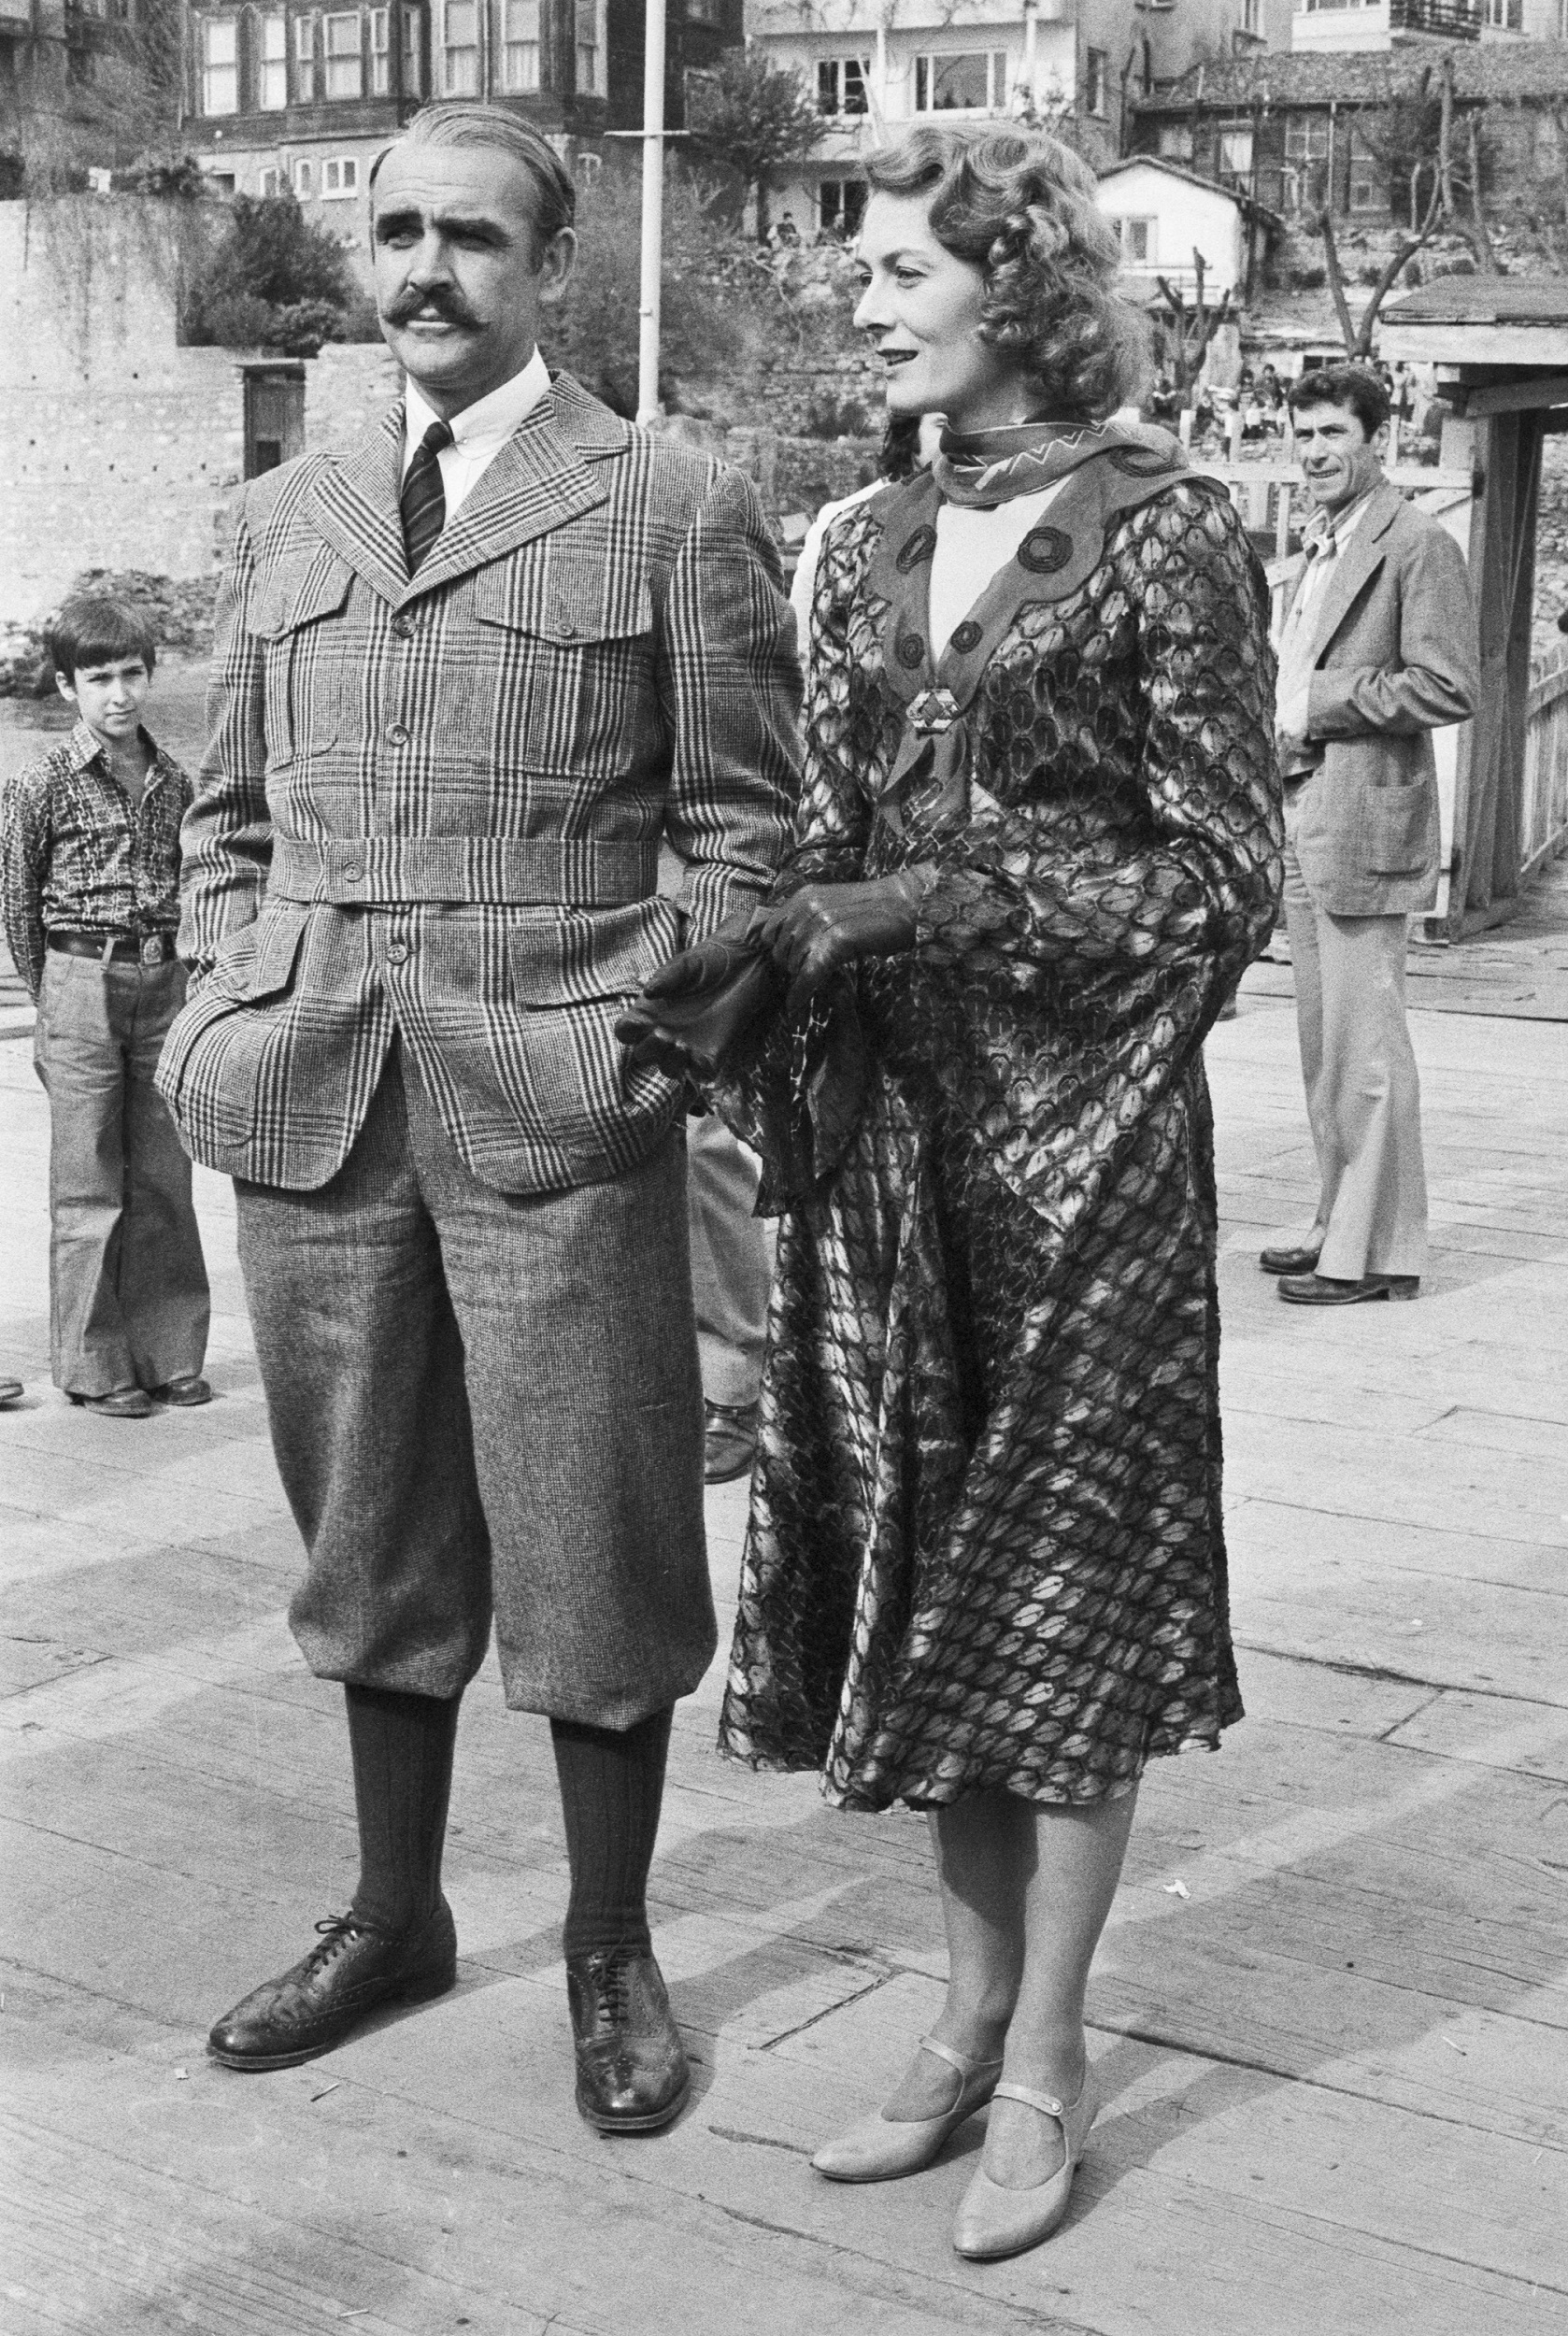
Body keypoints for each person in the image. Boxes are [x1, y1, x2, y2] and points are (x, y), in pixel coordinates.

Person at [623, 122, 1281, 2257]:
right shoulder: (849, 547)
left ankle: (1042, 2059)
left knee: (1054, 1616)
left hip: (1082, 1164)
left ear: (1022, 289)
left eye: (902, 264)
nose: (865, 297)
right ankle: (956, 2016)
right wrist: (742, 963)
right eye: (864, 267)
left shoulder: (1168, 534)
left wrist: (932, 901)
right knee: (928, 1603)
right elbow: (817, 845)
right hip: (891, 1173)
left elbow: (1215, 875)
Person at [157, 104, 798, 2131]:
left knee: (594, 1531)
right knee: (365, 1525)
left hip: (557, 1096)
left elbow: (746, 838)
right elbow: (223, 818)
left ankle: (608, 1948)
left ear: (546, 268)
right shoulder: (286, 511)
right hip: (320, 1089)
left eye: (472, 242)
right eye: (398, 235)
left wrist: (634, 1032)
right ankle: (391, 1911)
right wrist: (216, 1003)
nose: (425, 273)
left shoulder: (669, 501)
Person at [1264, 363, 1476, 1305]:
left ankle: (1371, 1254)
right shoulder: (1321, 541)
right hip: (1309, 815)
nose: (1313, 452)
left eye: (1332, 436)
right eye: (1303, 435)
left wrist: (1318, 701)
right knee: (1326, 1049)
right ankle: (1332, 1224)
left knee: (1366, 1046)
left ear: (1376, 441)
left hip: (1365, 815)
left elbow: (1447, 685)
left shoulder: (1415, 542)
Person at [0, 595, 211, 1419]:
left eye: (131, 675)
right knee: (90, 1182)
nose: (118, 694)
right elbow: (17, 904)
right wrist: (57, 996)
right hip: (80, 981)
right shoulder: (41, 783)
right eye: (99, 680)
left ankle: (167, 1352)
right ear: (67, 689)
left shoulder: (176, 779)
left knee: (164, 1174)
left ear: (148, 676)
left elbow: (195, 878)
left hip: (164, 985)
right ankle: (93, 1367)